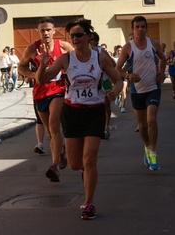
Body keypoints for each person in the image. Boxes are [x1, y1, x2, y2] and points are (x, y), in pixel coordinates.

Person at [36, 17, 123, 220]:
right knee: (76, 164)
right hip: (72, 112)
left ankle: (89, 203)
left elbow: (118, 79)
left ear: (88, 36)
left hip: (94, 112)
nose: (74, 39)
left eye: (78, 35)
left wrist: (116, 92)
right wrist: (41, 64)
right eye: (72, 36)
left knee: (90, 158)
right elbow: (42, 79)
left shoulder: (100, 58)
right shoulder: (66, 59)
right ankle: (78, 164)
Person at [18, 17, 73, 182]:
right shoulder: (32, 49)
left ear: (54, 31)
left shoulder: (63, 46)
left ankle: (54, 166)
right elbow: (21, 66)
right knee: (50, 132)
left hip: (58, 90)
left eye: (48, 29)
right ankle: (61, 150)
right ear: (38, 31)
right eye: (42, 30)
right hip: (40, 93)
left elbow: (76, 60)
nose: (46, 33)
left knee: (55, 125)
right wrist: (34, 75)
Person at [115, 16, 166, 171]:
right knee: (142, 125)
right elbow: (117, 69)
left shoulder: (154, 43)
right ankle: (146, 147)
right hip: (137, 91)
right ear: (132, 29)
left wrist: (162, 73)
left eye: (143, 26)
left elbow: (163, 59)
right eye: (137, 27)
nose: (140, 29)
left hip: (153, 88)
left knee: (151, 119)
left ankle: (153, 152)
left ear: (146, 28)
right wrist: (128, 76)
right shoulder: (128, 48)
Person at [89, 32, 115, 139]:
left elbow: (113, 64)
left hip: (104, 81)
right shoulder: (83, 52)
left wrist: (104, 65)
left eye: (91, 40)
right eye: (88, 39)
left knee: (106, 106)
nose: (89, 42)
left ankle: (106, 126)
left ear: (95, 41)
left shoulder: (102, 51)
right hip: (92, 83)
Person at [113, 45, 127, 113]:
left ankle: (123, 106)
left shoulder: (125, 59)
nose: (119, 52)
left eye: (120, 51)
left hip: (124, 76)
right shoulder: (114, 59)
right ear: (115, 51)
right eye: (118, 50)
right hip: (117, 77)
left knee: (124, 91)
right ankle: (117, 97)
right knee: (119, 91)